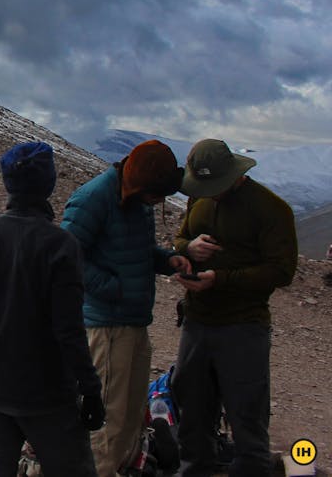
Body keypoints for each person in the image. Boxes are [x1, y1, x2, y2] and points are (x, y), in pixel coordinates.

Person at [0, 141, 105, 477]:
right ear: (49, 184)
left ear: (7, 182)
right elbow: (69, 331)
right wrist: (91, 390)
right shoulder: (61, 246)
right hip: (48, 396)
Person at [62, 140, 191, 476]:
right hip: (105, 327)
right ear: (140, 184)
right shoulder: (95, 198)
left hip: (133, 324)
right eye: (157, 193)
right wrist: (113, 289)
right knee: (106, 420)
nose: (160, 201)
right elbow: (66, 257)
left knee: (132, 415)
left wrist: (168, 261)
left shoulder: (137, 200)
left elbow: (136, 251)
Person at [172, 139, 297, 476]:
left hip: (243, 326)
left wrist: (221, 279)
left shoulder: (270, 209)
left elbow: (282, 270)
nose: (210, 192)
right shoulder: (199, 197)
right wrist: (189, 247)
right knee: (193, 412)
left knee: (247, 418)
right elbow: (180, 239)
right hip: (197, 322)